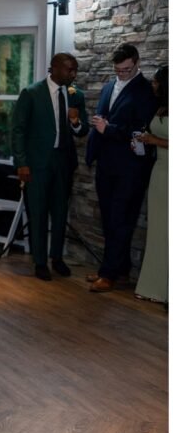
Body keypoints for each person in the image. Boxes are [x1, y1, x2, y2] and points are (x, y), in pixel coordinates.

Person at [85, 43, 158, 293]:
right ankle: (120, 268)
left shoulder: (146, 91)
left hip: (131, 167)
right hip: (105, 163)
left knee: (121, 219)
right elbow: (104, 118)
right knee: (108, 218)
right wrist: (98, 125)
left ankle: (108, 274)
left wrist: (109, 129)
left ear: (136, 62)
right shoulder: (108, 86)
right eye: (118, 70)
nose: (122, 74)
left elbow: (141, 130)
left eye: (126, 69)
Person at [11, 53, 87, 281]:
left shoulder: (76, 95)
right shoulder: (32, 93)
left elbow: (83, 132)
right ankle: (40, 261)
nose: (73, 74)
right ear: (53, 68)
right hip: (36, 164)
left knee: (60, 211)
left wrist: (75, 121)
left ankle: (57, 258)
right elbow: (18, 130)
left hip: (63, 163)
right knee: (38, 212)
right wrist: (22, 163)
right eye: (69, 69)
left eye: (75, 70)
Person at [134, 66, 168, 304]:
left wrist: (154, 139)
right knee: (157, 230)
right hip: (160, 172)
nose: (152, 85)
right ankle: (153, 288)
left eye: (156, 82)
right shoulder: (160, 106)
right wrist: (143, 139)